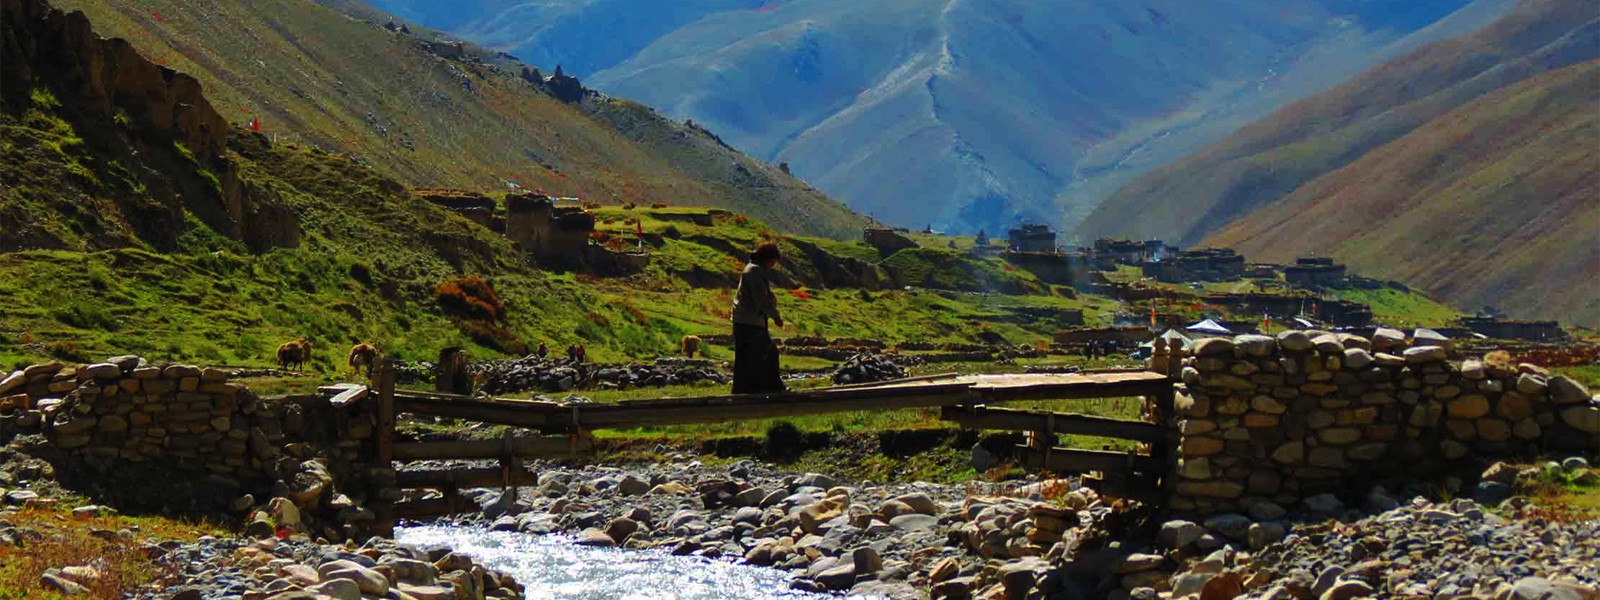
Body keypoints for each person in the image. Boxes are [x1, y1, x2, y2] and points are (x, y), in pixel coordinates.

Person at [731, 242, 786, 394]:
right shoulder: (755, 272)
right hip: (750, 321)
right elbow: (761, 299)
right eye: (773, 261)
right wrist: (776, 316)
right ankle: (773, 387)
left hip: (744, 319)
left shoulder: (753, 269)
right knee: (768, 353)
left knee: (746, 356)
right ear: (768, 258)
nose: (774, 265)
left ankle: (744, 389)